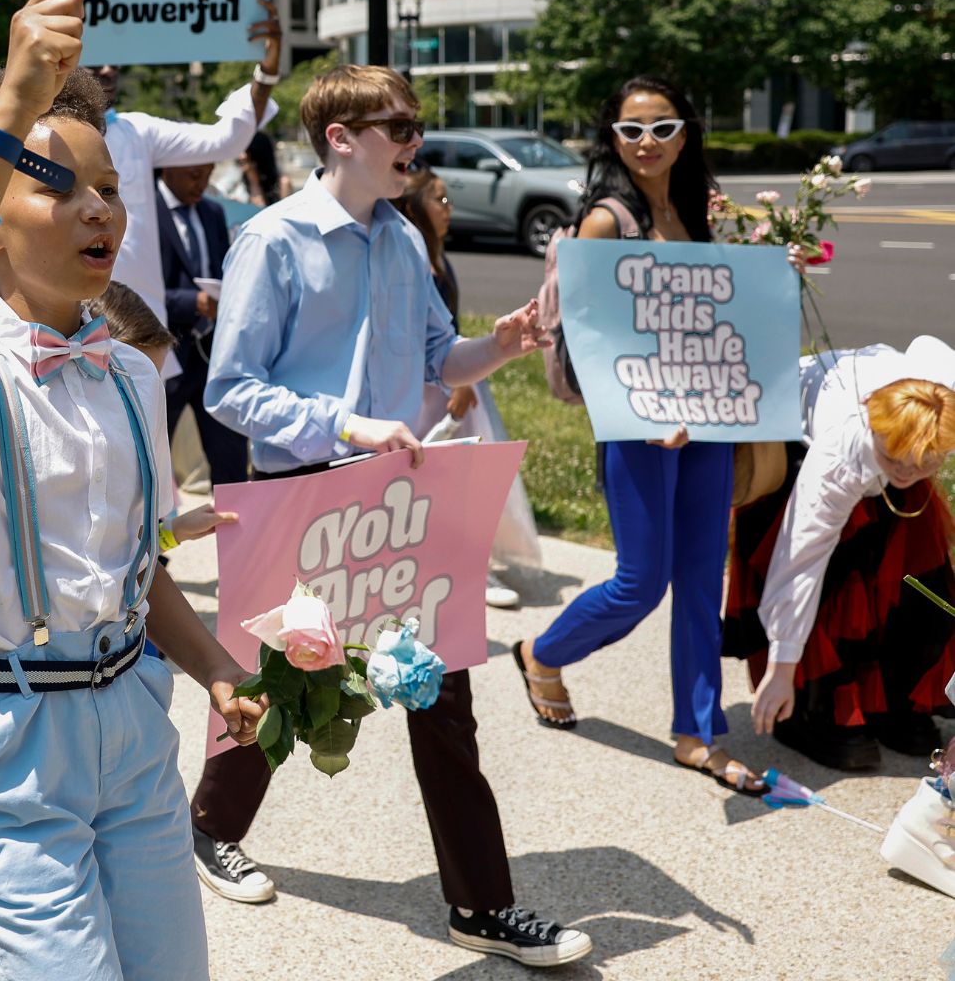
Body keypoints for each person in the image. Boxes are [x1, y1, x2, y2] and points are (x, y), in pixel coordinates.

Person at [0, 0, 265, 981]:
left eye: (107, 189)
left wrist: (218, 669)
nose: (99, 209)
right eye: (59, 187)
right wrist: (11, 104)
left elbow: (138, 570)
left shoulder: (133, 371)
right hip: (4, 745)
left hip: (132, 736)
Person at [193, 63, 590, 968]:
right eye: (400, 126)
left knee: (443, 691)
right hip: (307, 493)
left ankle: (483, 905)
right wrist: (344, 423)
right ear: (341, 138)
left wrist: (504, 345)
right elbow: (230, 390)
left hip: (401, 499)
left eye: (416, 125)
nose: (416, 141)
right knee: (289, 682)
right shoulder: (273, 239)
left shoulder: (404, 240)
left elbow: (441, 360)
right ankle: (209, 825)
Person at [512, 76, 768, 799]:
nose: (647, 143)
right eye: (631, 130)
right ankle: (542, 651)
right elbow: (594, 345)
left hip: (707, 425)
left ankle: (698, 733)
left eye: (662, 128)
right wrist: (648, 409)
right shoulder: (605, 222)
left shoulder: (694, 214)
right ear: (612, 139)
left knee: (698, 584)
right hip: (638, 429)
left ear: (686, 134)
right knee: (641, 582)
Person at [727, 336, 955, 770]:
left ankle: (895, 702)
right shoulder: (841, 452)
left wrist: (903, 462)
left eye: (926, 462)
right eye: (897, 461)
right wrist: (781, 669)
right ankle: (815, 712)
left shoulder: (935, 418)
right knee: (838, 584)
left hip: (893, 438)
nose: (907, 474)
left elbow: (907, 457)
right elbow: (800, 559)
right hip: (798, 434)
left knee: (916, 581)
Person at [391, 162, 543, 609]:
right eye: (438, 199)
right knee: (438, 481)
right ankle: (449, 565)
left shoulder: (438, 256)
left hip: (457, 378)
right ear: (414, 206)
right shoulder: (415, 258)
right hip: (431, 390)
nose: (447, 207)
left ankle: (471, 562)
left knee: (466, 479)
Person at [93, 0, 281, 331]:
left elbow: (227, 140)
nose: (108, 70)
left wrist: (266, 72)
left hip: (140, 329)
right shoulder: (38, 132)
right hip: (64, 326)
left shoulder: (138, 130)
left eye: (115, 63)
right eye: (96, 61)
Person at [155, 162, 246, 486]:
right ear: (168, 169)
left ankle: (240, 531)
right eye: (194, 175)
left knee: (230, 454)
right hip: (166, 353)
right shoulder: (142, 211)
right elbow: (133, 288)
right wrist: (191, 302)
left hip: (213, 354)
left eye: (208, 175)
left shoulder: (212, 212)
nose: (202, 184)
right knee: (151, 453)